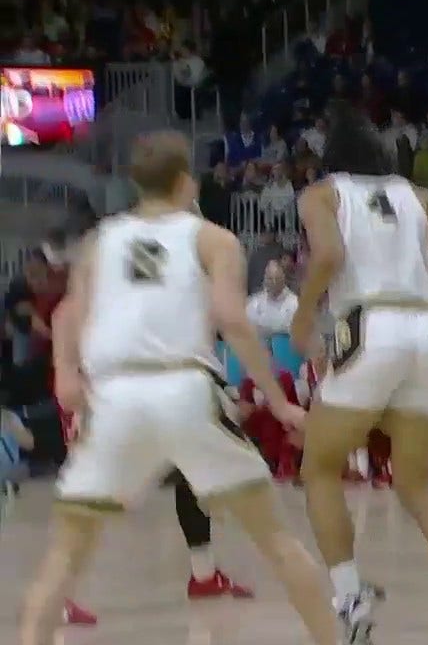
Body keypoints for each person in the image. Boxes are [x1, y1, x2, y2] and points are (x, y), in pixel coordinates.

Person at [19, 131, 336, 645]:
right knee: (277, 540)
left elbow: (69, 312)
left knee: (65, 557)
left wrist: (65, 374)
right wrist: (279, 402)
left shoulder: (101, 240)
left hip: (114, 396)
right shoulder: (212, 238)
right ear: (187, 181)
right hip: (186, 390)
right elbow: (233, 319)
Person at [288, 101, 428, 645]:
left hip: (370, 324)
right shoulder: (419, 196)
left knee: (319, 468)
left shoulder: (322, 194)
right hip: (427, 332)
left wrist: (304, 313)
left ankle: (350, 594)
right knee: (415, 483)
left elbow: (329, 255)